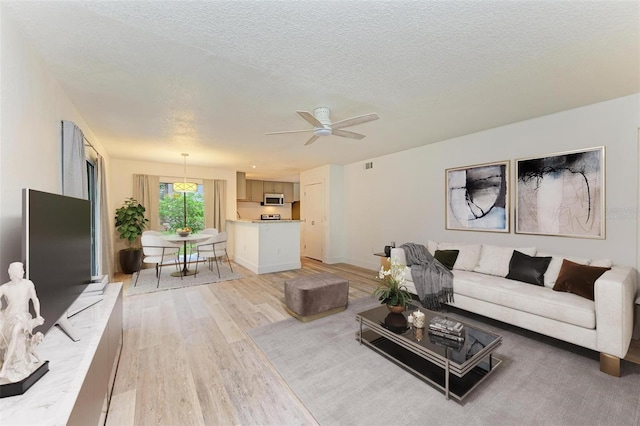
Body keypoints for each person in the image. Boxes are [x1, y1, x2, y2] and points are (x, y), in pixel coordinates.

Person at [0, 262, 45, 381]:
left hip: (24, 317)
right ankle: (9, 362)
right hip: (10, 318)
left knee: (16, 331)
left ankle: (5, 365)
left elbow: (35, 300)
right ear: (14, 272)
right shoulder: (4, 287)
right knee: (12, 333)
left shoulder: (28, 284)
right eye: (21, 270)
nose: (23, 272)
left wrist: (38, 315)